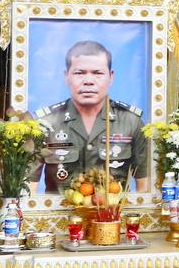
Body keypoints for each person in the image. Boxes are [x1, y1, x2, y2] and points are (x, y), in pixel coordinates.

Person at [36, 40, 149, 194]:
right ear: (66, 76)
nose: (88, 81)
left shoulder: (131, 122)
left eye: (97, 73)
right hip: (59, 210)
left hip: (115, 209)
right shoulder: (46, 123)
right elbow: (28, 190)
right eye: (79, 73)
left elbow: (145, 189)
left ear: (111, 77)